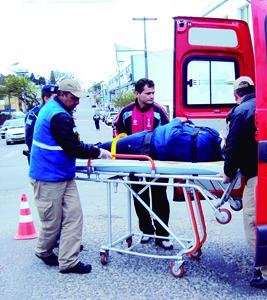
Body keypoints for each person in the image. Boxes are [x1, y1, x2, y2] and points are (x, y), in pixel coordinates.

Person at [29, 78, 113, 274]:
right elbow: (73, 147)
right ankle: (43, 251)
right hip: (48, 177)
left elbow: (69, 144)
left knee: (74, 216)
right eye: (74, 98)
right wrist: (98, 152)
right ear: (63, 94)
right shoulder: (59, 116)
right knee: (52, 221)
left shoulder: (55, 108)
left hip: (62, 175)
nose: (77, 102)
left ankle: (68, 261)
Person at [222, 76, 267, 290]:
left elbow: (233, 148)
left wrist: (228, 173)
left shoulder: (240, 112)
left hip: (257, 177)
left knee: (254, 223)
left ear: (235, 95)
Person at [113, 78, 172, 250]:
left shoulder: (159, 111)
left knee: (160, 198)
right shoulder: (126, 112)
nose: (151, 96)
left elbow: (169, 133)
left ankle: (163, 235)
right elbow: (117, 132)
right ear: (137, 94)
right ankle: (147, 230)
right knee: (140, 198)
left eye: (153, 93)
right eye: (147, 93)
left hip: (157, 163)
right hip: (135, 164)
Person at [24, 84, 58, 162]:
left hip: (55, 157)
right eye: (55, 98)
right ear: (46, 98)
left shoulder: (57, 112)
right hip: (40, 158)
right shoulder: (34, 114)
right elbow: (30, 139)